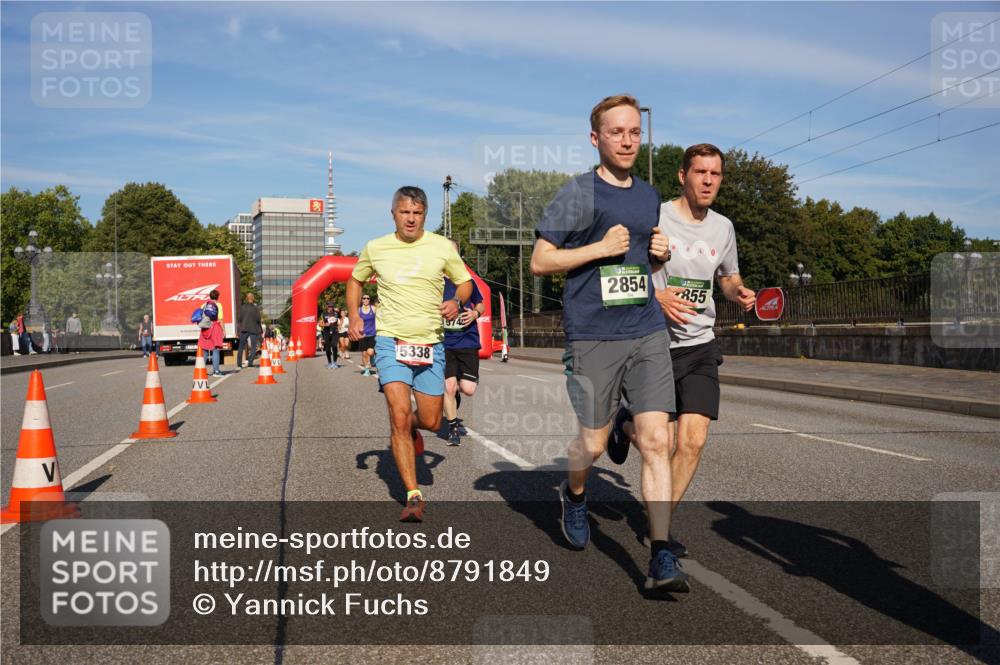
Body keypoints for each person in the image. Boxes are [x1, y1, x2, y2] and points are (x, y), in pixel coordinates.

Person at [530, 94, 686, 592]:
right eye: (616, 132)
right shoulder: (576, 194)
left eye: (635, 132)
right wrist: (597, 248)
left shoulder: (648, 195)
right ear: (595, 138)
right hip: (593, 334)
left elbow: (640, 265)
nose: (627, 140)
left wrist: (660, 256)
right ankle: (574, 495)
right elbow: (540, 261)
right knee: (592, 444)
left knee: (659, 441)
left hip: (645, 329)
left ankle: (661, 556)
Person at [610, 143, 756, 560]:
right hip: (653, 343)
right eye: (700, 173)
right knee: (661, 440)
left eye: (716, 174)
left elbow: (727, 277)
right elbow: (622, 271)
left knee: (692, 440)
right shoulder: (656, 216)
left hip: (700, 344)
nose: (708, 181)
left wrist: (736, 291)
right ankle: (623, 426)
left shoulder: (723, 228)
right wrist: (657, 298)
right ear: (683, 176)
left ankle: (660, 530)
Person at [348, 185, 471, 523]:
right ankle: (413, 495)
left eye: (417, 213)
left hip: (430, 343)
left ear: (425, 216)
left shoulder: (442, 247)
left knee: (431, 420)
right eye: (405, 212)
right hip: (391, 341)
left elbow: (465, 282)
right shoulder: (376, 248)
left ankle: (414, 430)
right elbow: (355, 280)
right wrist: (356, 314)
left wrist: (456, 300)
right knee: (399, 414)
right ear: (394, 214)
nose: (411, 219)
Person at [441, 242, 485, 446]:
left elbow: (481, 304)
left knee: (467, 389)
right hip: (444, 343)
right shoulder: (433, 283)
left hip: (467, 340)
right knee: (448, 387)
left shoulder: (467, 282)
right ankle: (453, 428)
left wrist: (475, 313)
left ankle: (457, 391)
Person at [199, 289, 224, 376]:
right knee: (215, 350)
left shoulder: (204, 305)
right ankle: (216, 371)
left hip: (205, 329)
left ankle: (201, 371)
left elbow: (200, 317)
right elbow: (220, 319)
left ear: (210, 296)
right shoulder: (218, 305)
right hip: (215, 328)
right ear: (217, 297)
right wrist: (223, 330)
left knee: (204, 350)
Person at [237, 293, 262, 368]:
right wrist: (260, 329)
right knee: (254, 347)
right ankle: (250, 362)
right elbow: (258, 319)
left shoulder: (242, 307)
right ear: (253, 298)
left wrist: (239, 330)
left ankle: (239, 364)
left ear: (246, 298)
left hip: (244, 329)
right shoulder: (255, 308)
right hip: (253, 329)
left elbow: (240, 319)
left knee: (241, 346)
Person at [358, 294, 378, 376]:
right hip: (362, 335)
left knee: (370, 352)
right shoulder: (358, 310)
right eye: (364, 298)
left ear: (369, 300)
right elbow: (355, 321)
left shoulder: (373, 308)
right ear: (362, 300)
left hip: (372, 334)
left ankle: (372, 357)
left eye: (368, 298)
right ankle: (366, 369)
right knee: (364, 353)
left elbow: (380, 318)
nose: (366, 300)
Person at [320, 302, 340, 369]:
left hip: (335, 332)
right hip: (327, 332)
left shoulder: (336, 313)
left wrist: (339, 327)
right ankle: (329, 362)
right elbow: (320, 324)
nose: (330, 308)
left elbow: (343, 316)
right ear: (327, 307)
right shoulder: (323, 314)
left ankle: (334, 362)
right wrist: (325, 325)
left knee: (334, 346)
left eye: (332, 306)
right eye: (329, 306)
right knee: (328, 348)